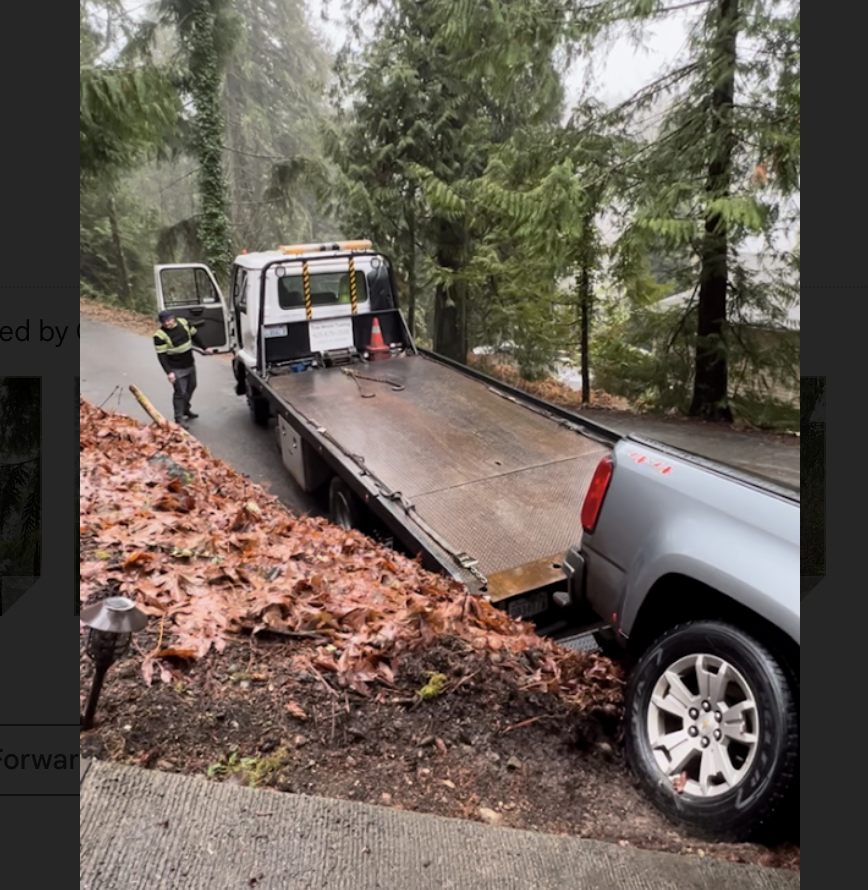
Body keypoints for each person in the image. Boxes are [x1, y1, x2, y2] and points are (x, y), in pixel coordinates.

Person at [153, 309, 213, 426]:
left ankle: (186, 409)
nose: (167, 323)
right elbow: (162, 356)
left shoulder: (184, 323)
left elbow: (195, 335)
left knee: (192, 387)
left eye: (169, 320)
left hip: (189, 363)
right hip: (176, 368)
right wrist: (169, 372)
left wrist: (204, 347)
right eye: (164, 322)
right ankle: (179, 418)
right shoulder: (159, 336)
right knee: (180, 393)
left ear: (173, 318)